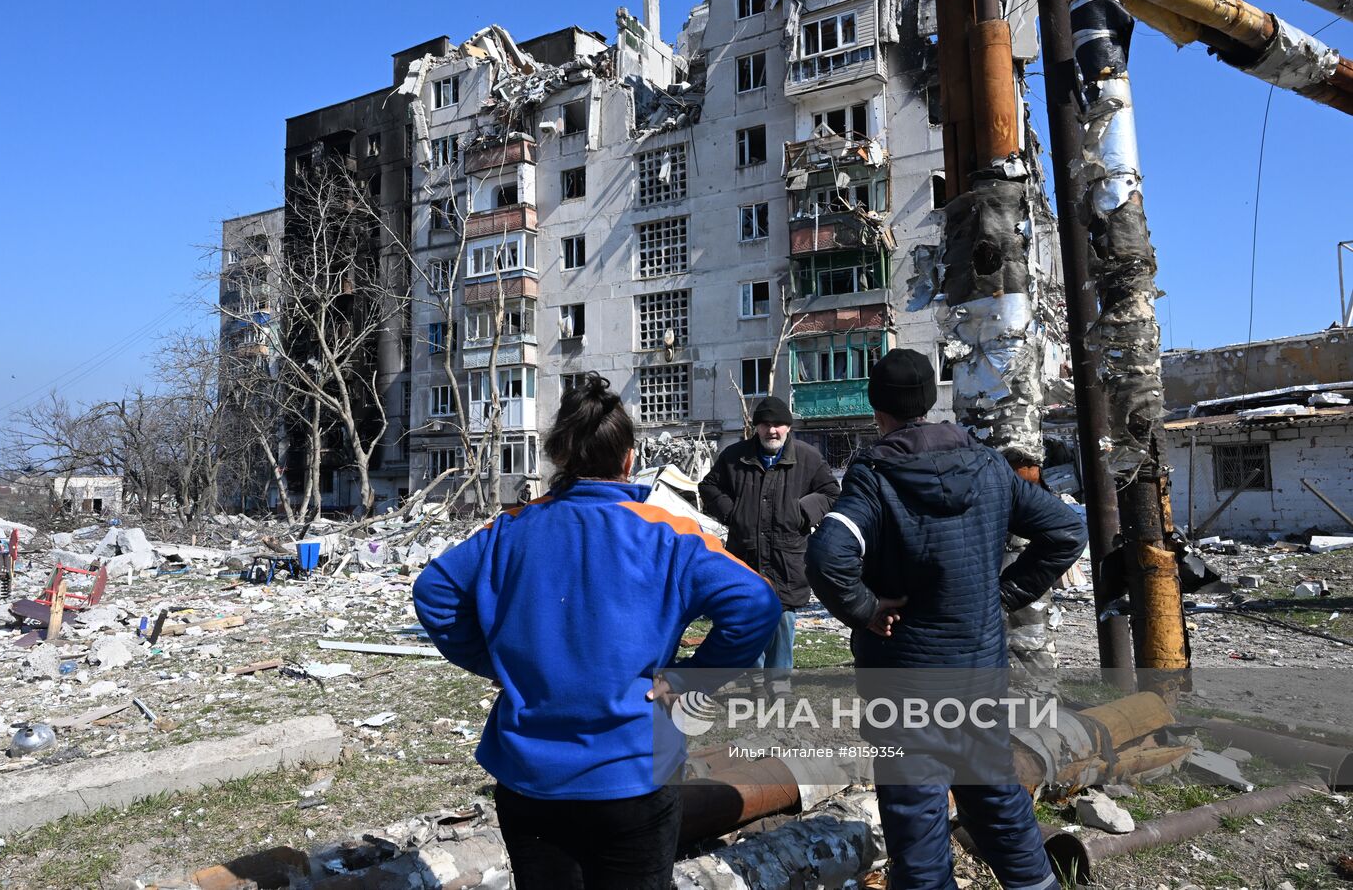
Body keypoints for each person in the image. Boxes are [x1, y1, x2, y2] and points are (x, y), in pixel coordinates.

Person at [414, 375, 780, 889]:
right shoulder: (667, 533)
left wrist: (491, 660)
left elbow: (435, 589)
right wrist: (691, 681)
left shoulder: (512, 528)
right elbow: (757, 602)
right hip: (633, 773)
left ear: (559, 457)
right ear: (629, 459)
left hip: (530, 780)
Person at [805, 348, 1086, 890]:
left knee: (916, 819)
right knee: (996, 797)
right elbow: (1066, 531)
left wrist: (865, 611)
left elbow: (827, 554)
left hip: (905, 679)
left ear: (876, 406)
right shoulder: (987, 466)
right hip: (977, 671)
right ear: (932, 400)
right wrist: (1001, 595)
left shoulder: (875, 475)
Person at [698, 395, 840, 691]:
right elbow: (708, 486)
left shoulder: (808, 457)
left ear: (788, 427)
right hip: (745, 551)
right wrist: (733, 513)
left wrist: (802, 512)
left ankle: (779, 681)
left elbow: (831, 492)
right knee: (748, 614)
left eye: (777, 425)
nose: (771, 431)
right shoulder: (735, 456)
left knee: (783, 617)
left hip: (786, 554)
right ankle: (755, 676)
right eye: (765, 425)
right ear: (756, 427)